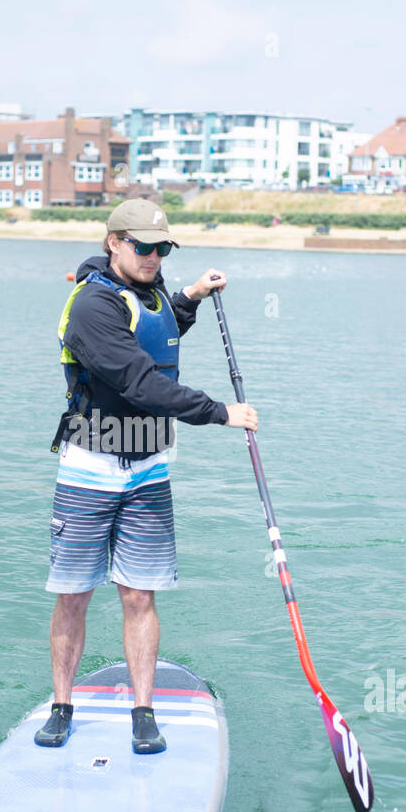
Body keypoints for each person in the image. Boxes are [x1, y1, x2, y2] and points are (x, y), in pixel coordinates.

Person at [37, 198, 257, 755]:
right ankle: (62, 704)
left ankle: (143, 709)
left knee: (140, 596)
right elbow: (141, 383)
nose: (154, 256)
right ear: (113, 242)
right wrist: (220, 412)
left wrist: (192, 296)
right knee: (74, 597)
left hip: (149, 472)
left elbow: (159, 327)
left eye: (163, 248)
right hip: (90, 468)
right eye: (143, 247)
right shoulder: (91, 308)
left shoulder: (151, 292)